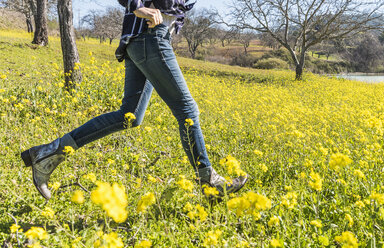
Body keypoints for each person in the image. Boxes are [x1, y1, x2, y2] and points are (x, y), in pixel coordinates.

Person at [20, 0, 247, 200]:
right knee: (186, 110)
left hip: (144, 40)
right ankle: (210, 183)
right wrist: (138, 7)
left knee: (130, 117)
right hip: (150, 37)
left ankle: (46, 154)